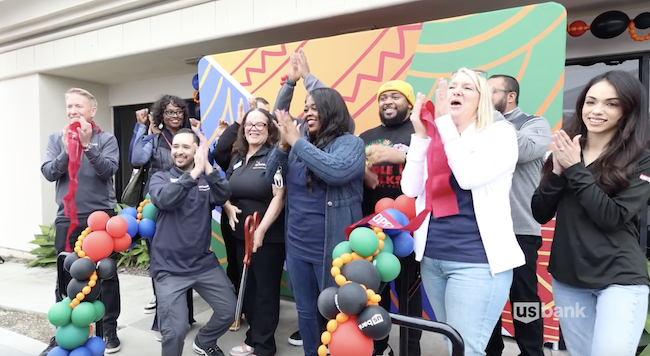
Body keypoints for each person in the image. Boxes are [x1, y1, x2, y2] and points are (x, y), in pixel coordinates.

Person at [401, 68, 525, 356]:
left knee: (467, 350)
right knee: (452, 345)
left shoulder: (500, 134)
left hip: (477, 265)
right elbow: (409, 188)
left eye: (467, 88)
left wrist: (443, 126)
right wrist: (420, 136)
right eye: (453, 86)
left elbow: (468, 177)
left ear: (481, 100)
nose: (457, 91)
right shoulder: (435, 138)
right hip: (433, 261)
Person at [531, 70, 650, 356]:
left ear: (628, 110)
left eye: (611, 103)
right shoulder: (565, 150)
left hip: (619, 278)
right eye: (590, 101)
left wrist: (574, 169)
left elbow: (611, 217)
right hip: (568, 278)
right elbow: (540, 212)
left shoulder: (641, 156)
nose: (597, 111)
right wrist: (558, 173)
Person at [266, 86, 366, 356]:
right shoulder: (300, 144)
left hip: (333, 250)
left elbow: (335, 171)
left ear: (331, 109)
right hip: (298, 246)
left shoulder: (350, 144)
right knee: (306, 313)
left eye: (314, 107)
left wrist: (297, 142)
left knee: (337, 314)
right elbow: (270, 177)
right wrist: (283, 147)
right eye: (306, 107)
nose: (308, 112)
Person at [40, 88, 122, 355]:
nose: (73, 111)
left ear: (91, 111)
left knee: (106, 275)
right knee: (65, 276)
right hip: (67, 218)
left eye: (79, 106)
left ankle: (108, 328)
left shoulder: (106, 138)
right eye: (70, 107)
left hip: (100, 219)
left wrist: (86, 147)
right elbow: (49, 172)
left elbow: (109, 170)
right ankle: (65, 332)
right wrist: (67, 149)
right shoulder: (56, 138)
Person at [148, 128, 236, 356]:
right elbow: (166, 199)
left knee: (229, 310)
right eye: (175, 146)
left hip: (202, 264)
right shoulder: (160, 178)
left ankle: (205, 341)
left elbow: (223, 194)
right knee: (175, 331)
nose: (178, 151)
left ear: (197, 150)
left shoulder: (206, 179)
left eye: (186, 147)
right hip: (169, 268)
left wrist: (205, 166)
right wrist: (194, 174)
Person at [485, 75, 551, 356]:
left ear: (510, 96)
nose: (483, 97)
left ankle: (532, 352)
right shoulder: (479, 128)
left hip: (519, 229)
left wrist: (490, 117)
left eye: (490, 92)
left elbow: (520, 149)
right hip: (484, 230)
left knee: (524, 299)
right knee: (487, 301)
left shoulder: (535, 124)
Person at [214, 101, 286, 356]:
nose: (254, 129)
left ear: (269, 129)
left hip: (267, 237)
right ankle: (253, 338)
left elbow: (280, 196)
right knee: (250, 289)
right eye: (249, 124)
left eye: (260, 124)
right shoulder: (236, 158)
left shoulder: (275, 155)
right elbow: (224, 188)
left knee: (264, 291)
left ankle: (264, 346)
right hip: (239, 236)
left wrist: (262, 230)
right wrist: (227, 206)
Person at [361, 80, 422, 356]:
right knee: (375, 296)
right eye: (383, 97)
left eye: (395, 96)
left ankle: (410, 351)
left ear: (409, 103)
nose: (387, 101)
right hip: (371, 231)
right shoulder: (365, 136)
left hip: (409, 231)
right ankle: (379, 348)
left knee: (409, 296)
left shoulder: (419, 133)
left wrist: (400, 155)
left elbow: (435, 165)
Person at [128, 95, 197, 340]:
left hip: (186, 207)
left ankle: (186, 315)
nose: (175, 116)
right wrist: (141, 128)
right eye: (169, 112)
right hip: (157, 210)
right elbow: (136, 159)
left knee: (185, 261)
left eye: (179, 111)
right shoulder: (155, 139)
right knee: (162, 264)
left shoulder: (192, 137)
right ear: (161, 115)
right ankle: (165, 318)